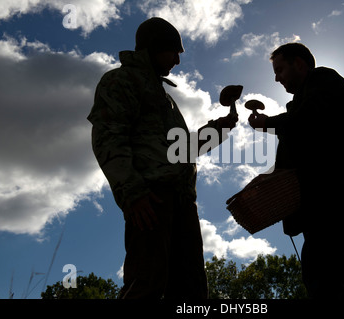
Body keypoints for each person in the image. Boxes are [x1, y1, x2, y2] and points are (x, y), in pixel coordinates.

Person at [87, 17, 238, 299]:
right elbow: (108, 137)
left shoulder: (164, 97)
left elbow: (180, 150)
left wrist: (217, 130)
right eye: (174, 52)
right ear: (154, 48)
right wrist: (132, 192)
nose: (177, 61)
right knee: (147, 285)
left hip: (182, 201)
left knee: (191, 291)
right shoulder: (121, 81)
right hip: (150, 200)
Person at [249, 43, 344, 299]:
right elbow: (299, 147)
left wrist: (268, 123)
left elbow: (309, 119)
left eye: (280, 69)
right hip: (325, 203)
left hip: (335, 199)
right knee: (335, 272)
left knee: (321, 272)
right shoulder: (303, 100)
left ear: (299, 64)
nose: (276, 77)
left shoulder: (324, 80)